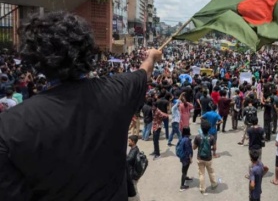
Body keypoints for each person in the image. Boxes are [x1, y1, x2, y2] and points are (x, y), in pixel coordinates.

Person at [0, 12, 162, 200]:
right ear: (88, 51)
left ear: (35, 60)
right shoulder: (119, 90)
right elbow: (145, 71)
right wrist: (151, 56)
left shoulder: (8, 126)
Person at [193, 120, 218, 195]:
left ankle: (202, 189)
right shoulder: (212, 137)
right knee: (211, 172)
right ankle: (213, 184)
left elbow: (194, 147)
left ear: (201, 128)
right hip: (208, 158)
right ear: (209, 128)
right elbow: (215, 148)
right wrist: (211, 149)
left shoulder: (197, 137)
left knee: (201, 174)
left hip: (200, 158)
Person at [179, 127, 194, 192]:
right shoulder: (187, 140)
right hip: (186, 158)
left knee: (184, 169)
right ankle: (182, 186)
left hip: (182, 157)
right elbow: (188, 151)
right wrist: (190, 159)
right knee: (184, 171)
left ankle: (185, 177)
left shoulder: (182, 138)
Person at [127, 135, 141, 201]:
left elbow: (128, 160)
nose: (128, 142)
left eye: (129, 141)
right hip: (132, 173)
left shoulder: (134, 151)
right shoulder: (134, 149)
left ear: (133, 142)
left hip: (133, 175)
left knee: (134, 190)